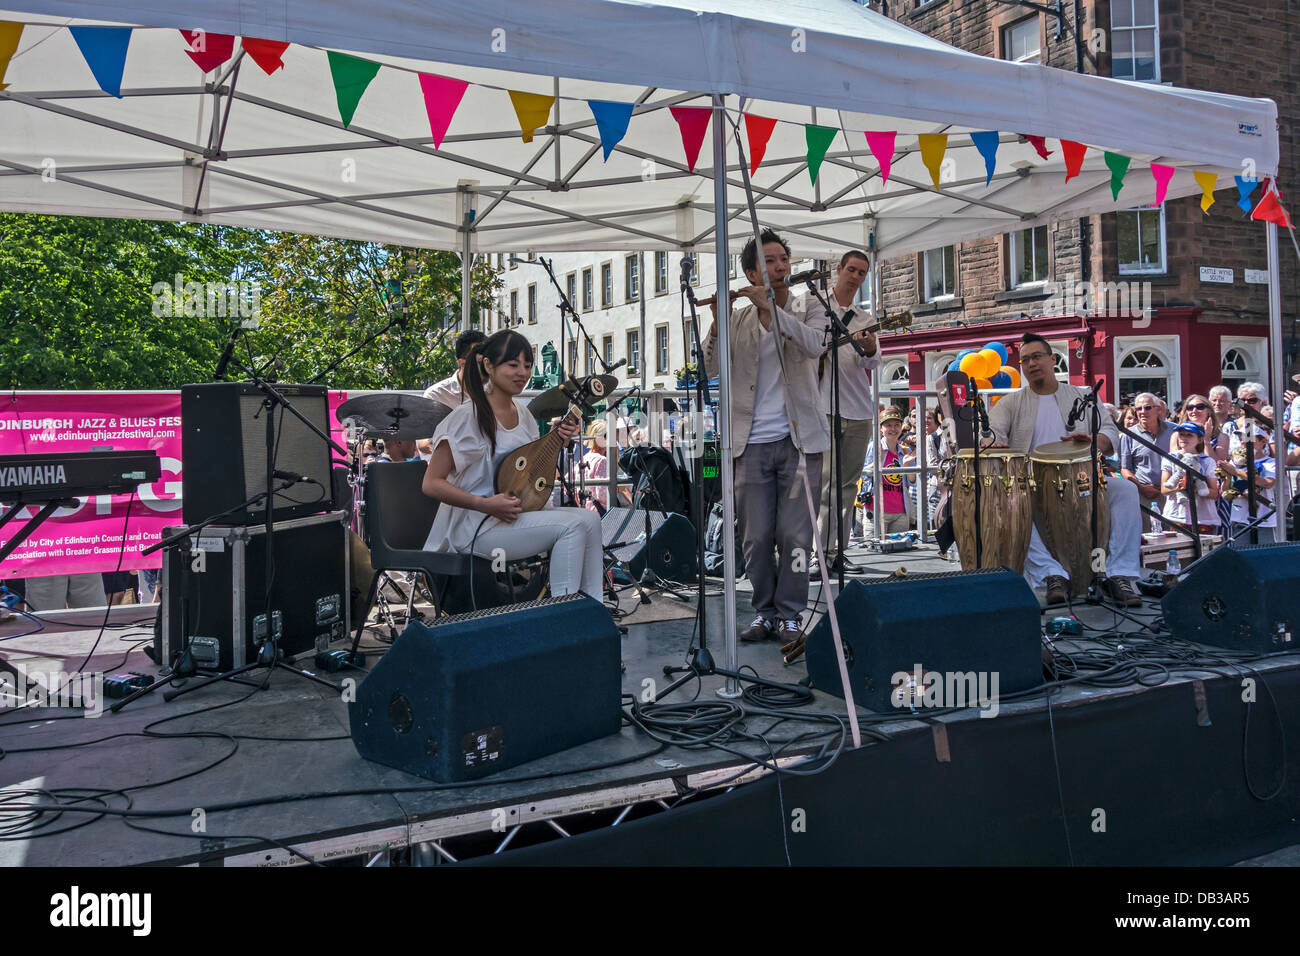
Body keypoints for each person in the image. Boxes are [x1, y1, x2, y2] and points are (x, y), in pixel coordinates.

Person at [702, 229, 870, 647]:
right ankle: (764, 612)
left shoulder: (808, 306)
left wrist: (770, 310)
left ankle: (791, 615)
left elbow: (816, 345)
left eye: (783, 260)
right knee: (755, 536)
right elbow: (708, 369)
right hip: (749, 442)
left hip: (799, 441)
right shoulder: (738, 319)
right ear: (751, 271)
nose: (779, 267)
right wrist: (716, 322)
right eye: (770, 261)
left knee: (795, 537)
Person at [421, 330, 604, 599]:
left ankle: (592, 610)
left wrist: (556, 443)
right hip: (476, 528)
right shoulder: (465, 418)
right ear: (488, 365)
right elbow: (431, 483)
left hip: (513, 519)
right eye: (513, 364)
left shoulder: (525, 416)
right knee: (572, 526)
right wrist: (483, 503)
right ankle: (563, 617)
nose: (522, 372)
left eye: (527, 365)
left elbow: (528, 474)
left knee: (590, 519)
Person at [986, 332, 1143, 607]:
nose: (1031, 364)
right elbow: (990, 436)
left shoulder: (1082, 396)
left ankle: (1120, 574)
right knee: (1011, 502)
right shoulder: (1010, 403)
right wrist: (993, 444)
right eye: (1025, 360)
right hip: (1030, 482)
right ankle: (1052, 576)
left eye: (1037, 357)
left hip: (1082, 478)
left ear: (1053, 359)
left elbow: (1110, 431)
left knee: (1126, 491)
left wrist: (1095, 440)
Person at [815, 249, 880, 574]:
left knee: (848, 485)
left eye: (862, 272)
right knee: (826, 483)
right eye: (851, 269)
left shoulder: (865, 319)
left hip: (857, 408)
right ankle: (820, 553)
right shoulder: (816, 308)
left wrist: (868, 347)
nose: (855, 277)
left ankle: (836, 551)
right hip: (822, 407)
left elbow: (872, 361)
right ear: (838, 270)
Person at [417, 330, 488, 459]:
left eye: (488, 361)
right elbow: (424, 443)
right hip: (448, 471)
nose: (487, 367)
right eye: (480, 363)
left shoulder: (493, 392)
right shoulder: (436, 395)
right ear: (462, 363)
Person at [1119, 391, 1174, 530]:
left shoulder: (1174, 431)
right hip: (1144, 495)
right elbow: (1124, 468)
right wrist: (1141, 487)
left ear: (1158, 410)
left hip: (1171, 493)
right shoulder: (1128, 435)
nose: (1142, 412)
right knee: (1148, 538)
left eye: (1147, 407)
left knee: (1174, 538)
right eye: (1139, 408)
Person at [863, 407, 916, 534]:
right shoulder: (874, 447)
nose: (893, 429)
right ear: (881, 428)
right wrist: (878, 461)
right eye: (888, 425)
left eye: (897, 425)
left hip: (900, 513)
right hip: (876, 511)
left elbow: (912, 481)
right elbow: (863, 476)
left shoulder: (905, 451)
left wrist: (907, 465)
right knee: (873, 551)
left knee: (898, 552)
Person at [1160, 422, 1220, 534]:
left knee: (1204, 550)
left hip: (1202, 517)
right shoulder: (1169, 458)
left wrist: (1196, 488)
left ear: (1200, 439)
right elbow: (1164, 489)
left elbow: (1214, 493)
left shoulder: (1208, 461)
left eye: (1189, 435)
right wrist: (1180, 487)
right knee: (1180, 550)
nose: (1184, 438)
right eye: (1181, 434)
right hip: (1176, 516)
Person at [1222, 429, 1276, 544]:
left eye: (1249, 439)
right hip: (1239, 518)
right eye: (1242, 439)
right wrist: (1226, 475)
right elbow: (1225, 490)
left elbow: (1267, 483)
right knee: (1240, 556)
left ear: (1263, 441)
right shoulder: (1234, 462)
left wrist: (1236, 472)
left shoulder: (1270, 462)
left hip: (1264, 518)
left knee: (1264, 555)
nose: (1243, 442)